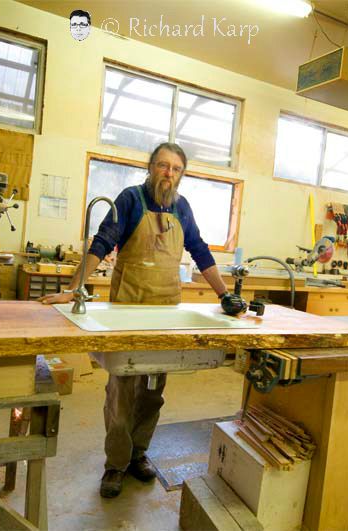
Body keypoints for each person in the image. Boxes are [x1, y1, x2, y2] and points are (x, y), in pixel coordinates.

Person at [39, 142, 246, 498]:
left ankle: (139, 454)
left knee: (152, 393)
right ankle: (115, 464)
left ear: (182, 174)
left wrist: (224, 294)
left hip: (166, 313)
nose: (168, 173)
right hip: (128, 310)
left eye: (176, 168)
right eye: (163, 165)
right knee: (121, 392)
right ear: (151, 167)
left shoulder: (182, 208)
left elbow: (200, 251)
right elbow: (101, 244)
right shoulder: (130, 199)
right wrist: (75, 289)